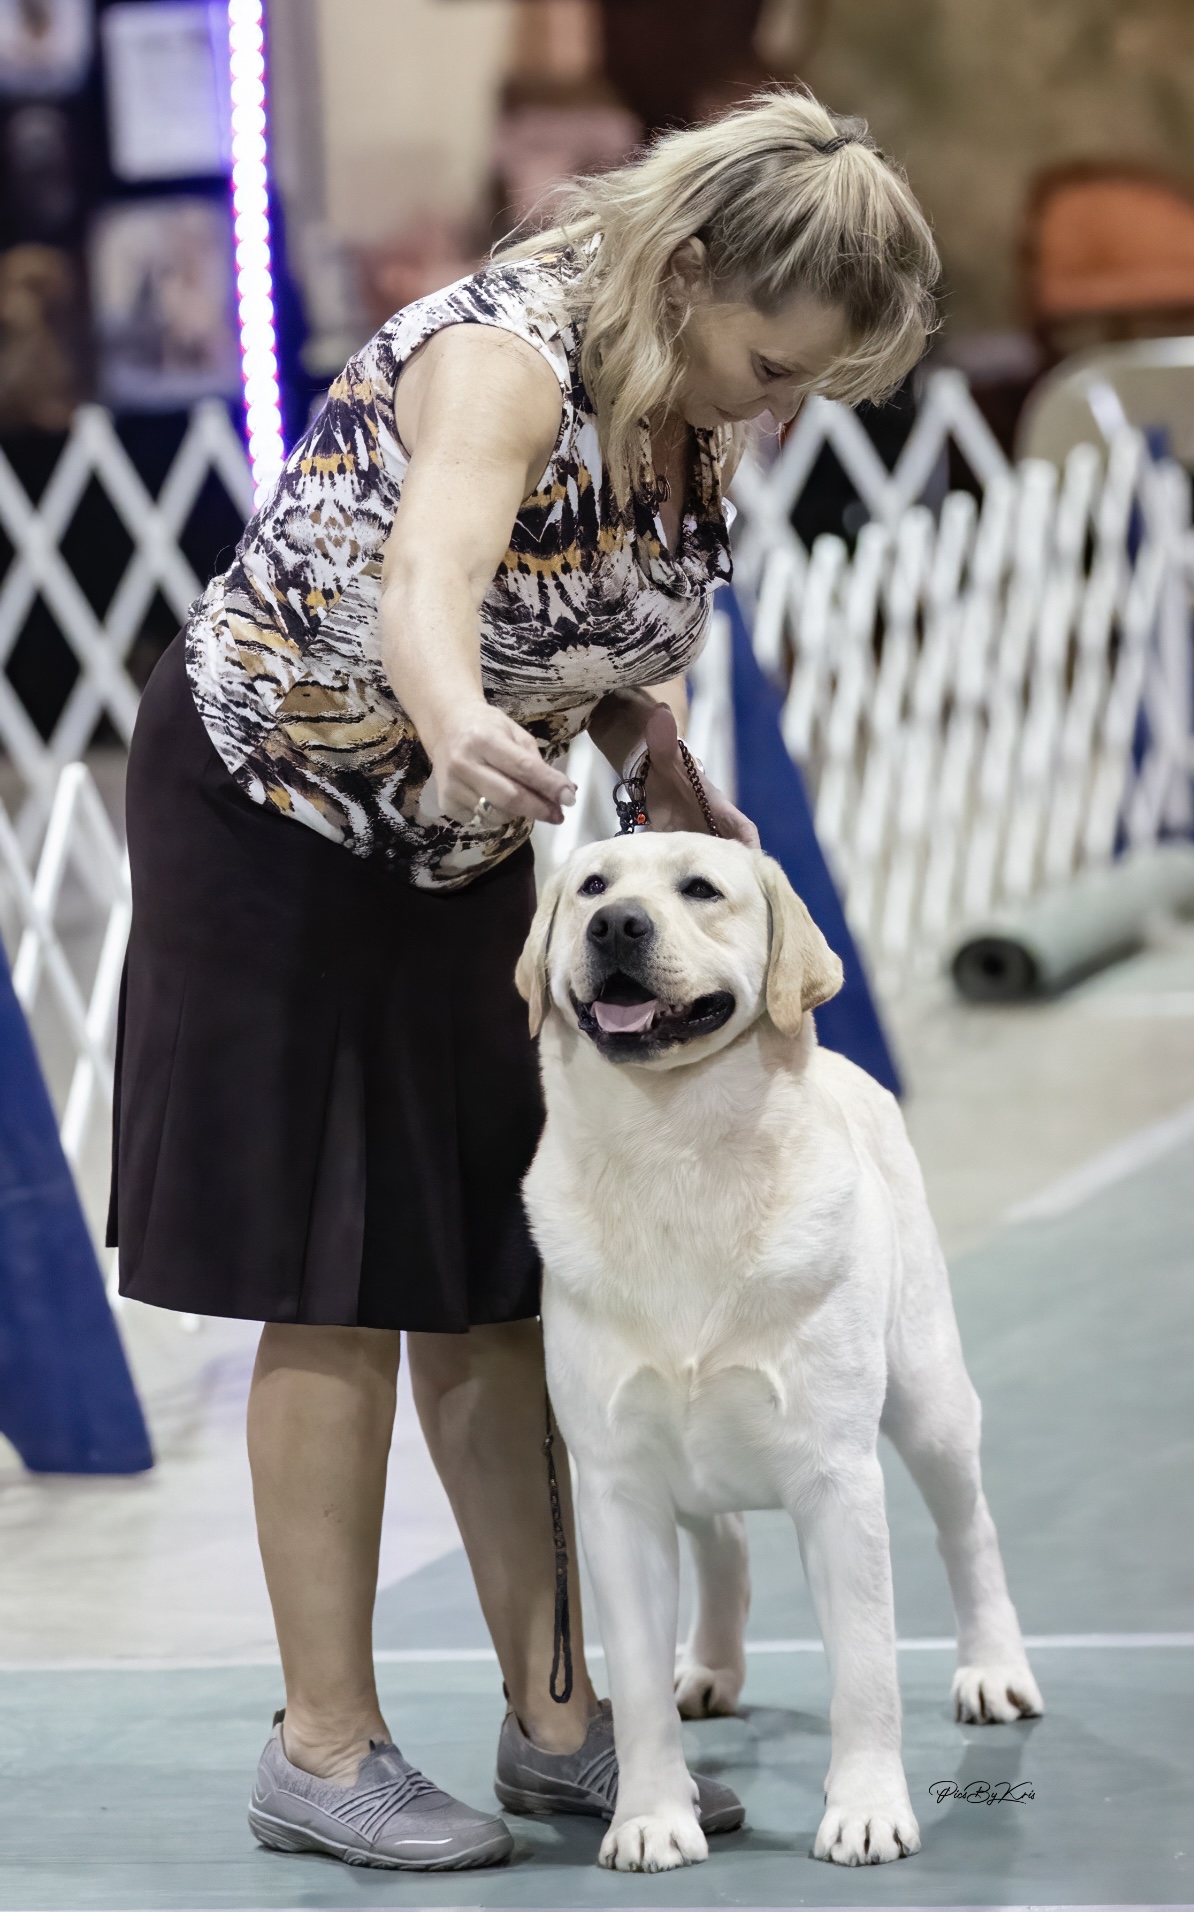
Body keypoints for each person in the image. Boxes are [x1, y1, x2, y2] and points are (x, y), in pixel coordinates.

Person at [109, 87, 938, 1870]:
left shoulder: (695, 390)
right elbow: (436, 575)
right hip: (280, 815)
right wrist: (459, 710)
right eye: (771, 364)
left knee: (497, 1275)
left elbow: (614, 614)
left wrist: (640, 735)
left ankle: (567, 1728)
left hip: (475, 836)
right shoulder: (507, 357)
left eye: (808, 389)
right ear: (696, 270)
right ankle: (322, 1751)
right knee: (329, 1284)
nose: (777, 408)